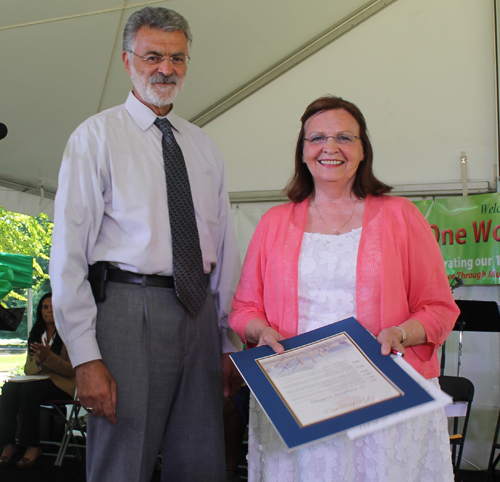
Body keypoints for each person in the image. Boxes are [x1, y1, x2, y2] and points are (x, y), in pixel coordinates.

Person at [49, 6, 241, 482]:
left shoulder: (203, 147)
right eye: (153, 55)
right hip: (127, 312)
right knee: (122, 464)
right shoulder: (95, 137)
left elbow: (225, 250)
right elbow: (68, 255)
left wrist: (227, 340)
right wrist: (86, 357)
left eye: (178, 58)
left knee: (201, 462)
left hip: (199, 316)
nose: (166, 68)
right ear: (126, 59)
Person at [229, 96, 459, 482]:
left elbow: (439, 307)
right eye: (317, 137)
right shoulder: (273, 222)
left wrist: (401, 333)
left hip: (387, 392)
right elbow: (244, 308)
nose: (330, 148)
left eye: (344, 137)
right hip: (299, 396)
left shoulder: (401, 215)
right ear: (302, 152)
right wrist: (261, 331)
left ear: (363, 149)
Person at [0, 292, 76, 469]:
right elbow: (28, 370)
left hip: (61, 384)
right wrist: (39, 360)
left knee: (29, 391)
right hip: (37, 381)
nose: (48, 311)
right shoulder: (36, 334)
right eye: (45, 307)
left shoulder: (69, 335)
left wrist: (49, 356)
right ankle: (8, 443)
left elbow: (71, 370)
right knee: (9, 388)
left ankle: (33, 446)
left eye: (52, 307)